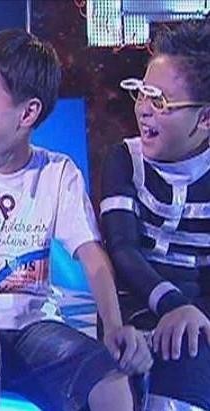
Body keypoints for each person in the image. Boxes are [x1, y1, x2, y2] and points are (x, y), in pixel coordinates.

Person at [0, 28, 152, 411]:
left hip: (35, 324)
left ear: (28, 112)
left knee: (112, 379)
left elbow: (93, 260)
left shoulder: (58, 172)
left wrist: (113, 327)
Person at [100, 17, 210, 411]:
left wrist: (194, 314)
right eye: (142, 93)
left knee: (189, 353)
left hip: (198, 315)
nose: (144, 110)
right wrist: (172, 305)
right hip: (131, 307)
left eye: (160, 102)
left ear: (205, 118)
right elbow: (122, 249)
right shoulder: (124, 160)